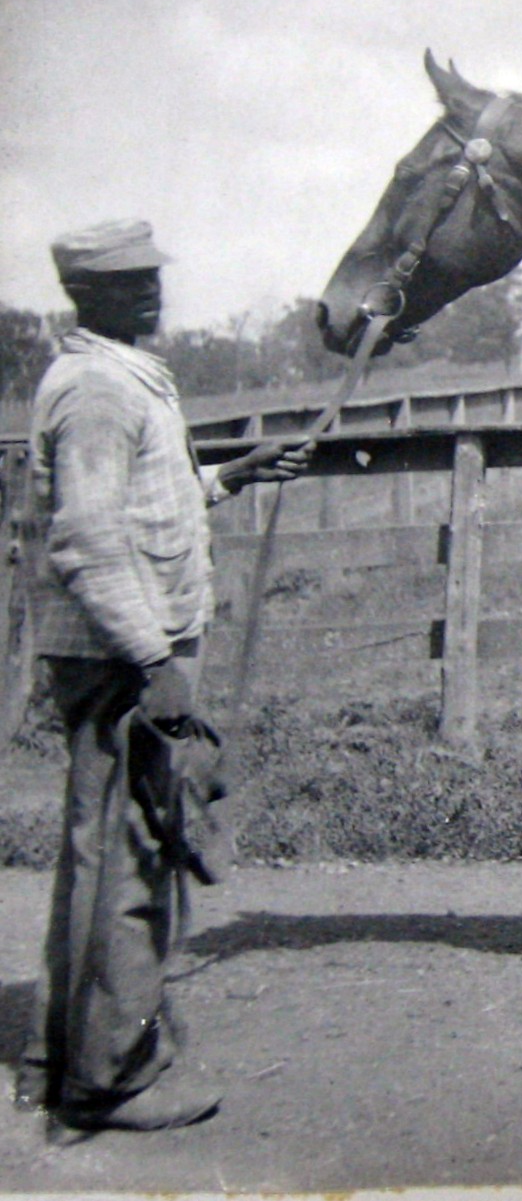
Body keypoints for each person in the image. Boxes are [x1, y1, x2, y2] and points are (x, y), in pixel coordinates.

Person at [14, 219, 315, 1135]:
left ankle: (57, 1054)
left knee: (101, 849)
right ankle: (115, 1079)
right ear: (85, 297)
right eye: (124, 285)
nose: (147, 295)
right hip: (122, 654)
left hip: (116, 645)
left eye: (150, 278)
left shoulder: (113, 374)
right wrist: (156, 663)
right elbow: (89, 537)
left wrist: (230, 476)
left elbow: (143, 499)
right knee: (134, 855)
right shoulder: (101, 389)